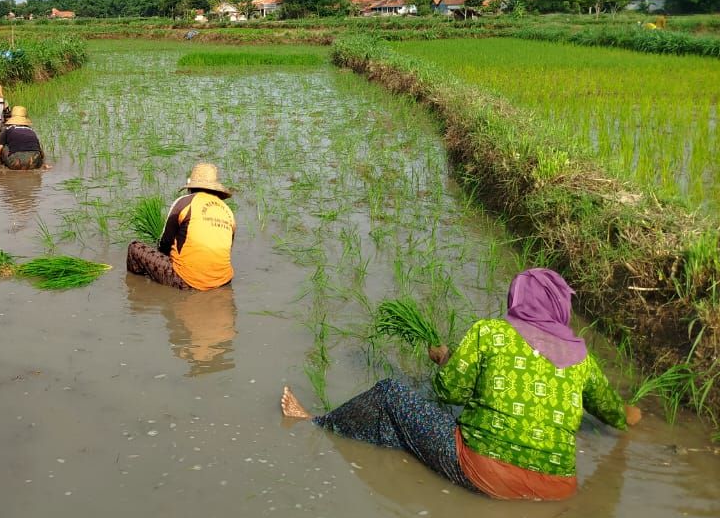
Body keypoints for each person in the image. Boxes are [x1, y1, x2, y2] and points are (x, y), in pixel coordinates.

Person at [279, 268, 641, 501]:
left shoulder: (491, 333)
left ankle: (315, 422)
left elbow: (447, 393)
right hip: (559, 489)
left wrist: (445, 360)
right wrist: (631, 415)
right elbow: (615, 414)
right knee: (403, 430)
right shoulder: (581, 358)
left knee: (390, 394)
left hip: (485, 471)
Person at [126, 163, 236, 291]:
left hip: (186, 281)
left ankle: (138, 291)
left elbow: (165, 243)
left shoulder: (184, 202)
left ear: (191, 188)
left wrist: (160, 259)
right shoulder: (228, 212)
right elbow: (227, 249)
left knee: (135, 248)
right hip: (223, 281)